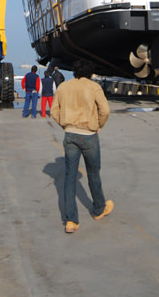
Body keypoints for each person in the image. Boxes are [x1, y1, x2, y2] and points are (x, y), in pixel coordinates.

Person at [50, 59, 113, 234]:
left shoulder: (63, 87)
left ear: (74, 71)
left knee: (69, 177)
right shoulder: (94, 87)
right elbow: (105, 110)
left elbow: (53, 111)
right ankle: (99, 209)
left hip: (70, 135)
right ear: (91, 73)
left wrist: (65, 126)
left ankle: (71, 221)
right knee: (93, 173)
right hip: (89, 135)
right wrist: (98, 125)